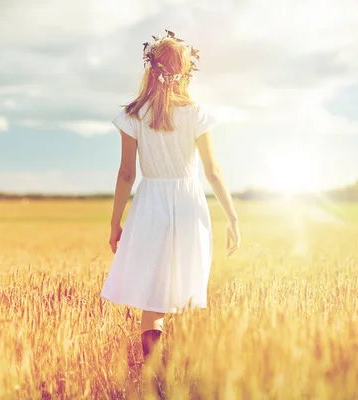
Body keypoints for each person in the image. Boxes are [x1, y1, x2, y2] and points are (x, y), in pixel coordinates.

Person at [99, 30, 240, 363]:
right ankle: (186, 372)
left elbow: (126, 175)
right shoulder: (196, 114)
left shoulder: (134, 115)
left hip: (150, 205)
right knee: (184, 287)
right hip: (189, 205)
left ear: (151, 69)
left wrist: (115, 222)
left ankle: (152, 372)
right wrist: (232, 218)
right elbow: (213, 172)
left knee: (154, 296)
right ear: (186, 73)